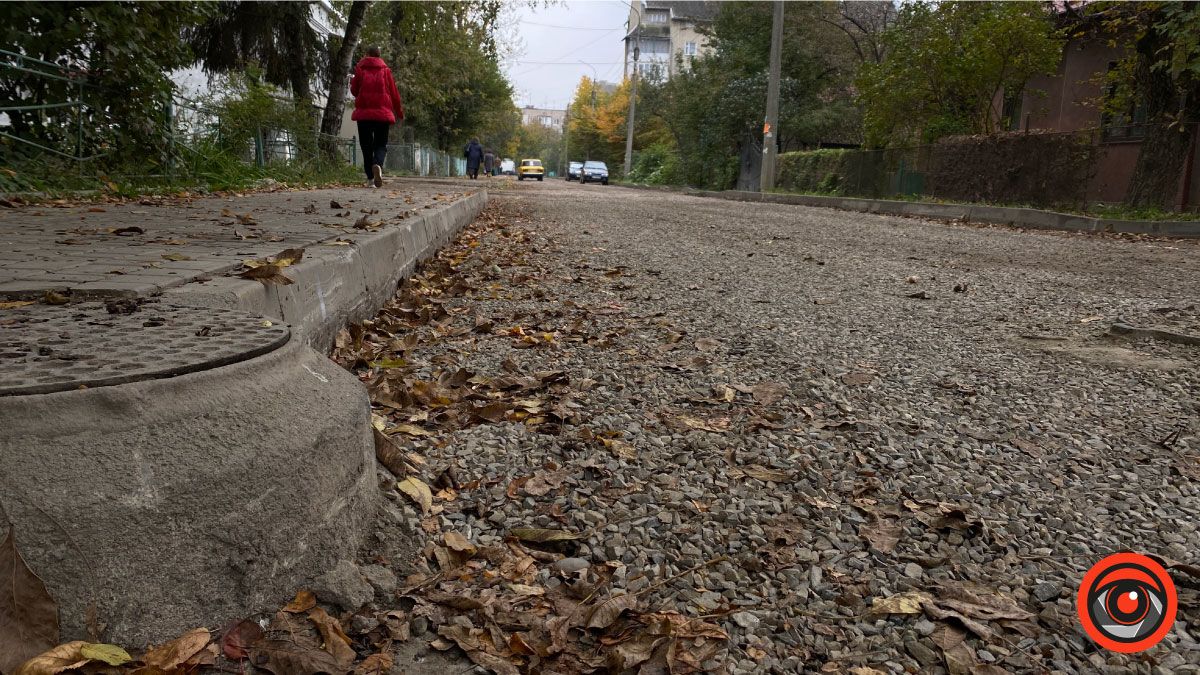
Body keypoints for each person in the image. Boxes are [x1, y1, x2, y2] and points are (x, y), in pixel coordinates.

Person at [350, 46, 403, 188]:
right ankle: (377, 164)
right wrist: (399, 112)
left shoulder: (360, 69)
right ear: (379, 56)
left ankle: (370, 179)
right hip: (382, 114)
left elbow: (354, 91)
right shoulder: (385, 71)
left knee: (366, 146)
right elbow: (394, 94)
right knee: (380, 144)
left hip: (364, 114)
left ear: (366, 54)